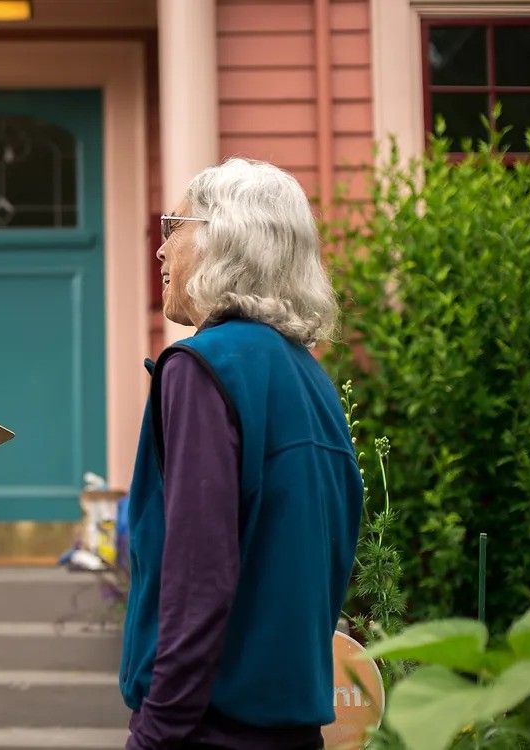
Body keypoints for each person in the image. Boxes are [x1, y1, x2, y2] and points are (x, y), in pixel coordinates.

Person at [120, 158, 363, 750]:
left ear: (222, 239)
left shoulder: (204, 366)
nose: (161, 249)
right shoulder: (312, 380)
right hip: (296, 727)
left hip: (209, 728)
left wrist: (156, 730)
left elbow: (198, 573)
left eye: (174, 225)